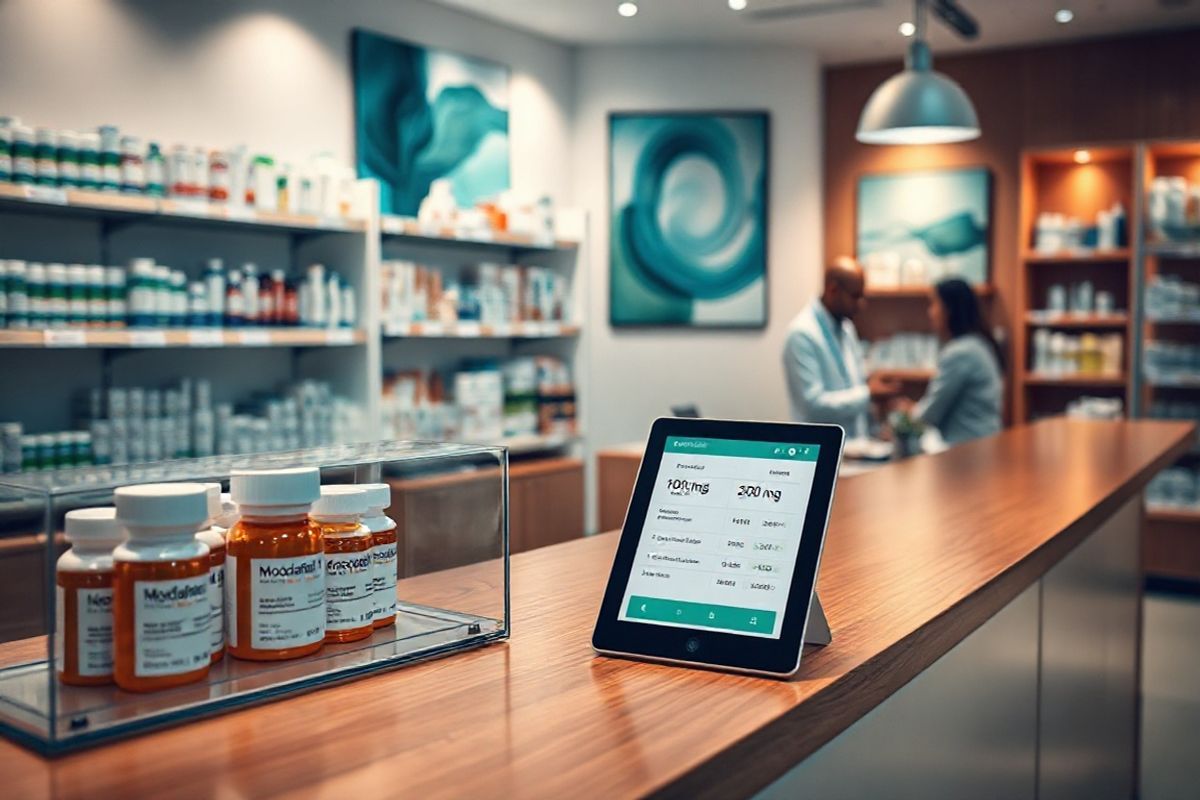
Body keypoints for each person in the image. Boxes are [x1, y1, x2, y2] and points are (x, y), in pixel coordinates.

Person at [783, 257, 900, 437]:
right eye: (855, 296)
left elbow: (855, 382)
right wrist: (868, 394)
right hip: (818, 451)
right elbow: (813, 406)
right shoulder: (802, 334)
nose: (861, 304)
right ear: (833, 290)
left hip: (856, 448)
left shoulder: (846, 328)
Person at [894, 278, 1003, 446]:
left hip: (968, 453)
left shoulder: (960, 353)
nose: (930, 312)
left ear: (949, 309)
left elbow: (929, 415)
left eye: (934, 304)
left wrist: (905, 413)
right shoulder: (977, 345)